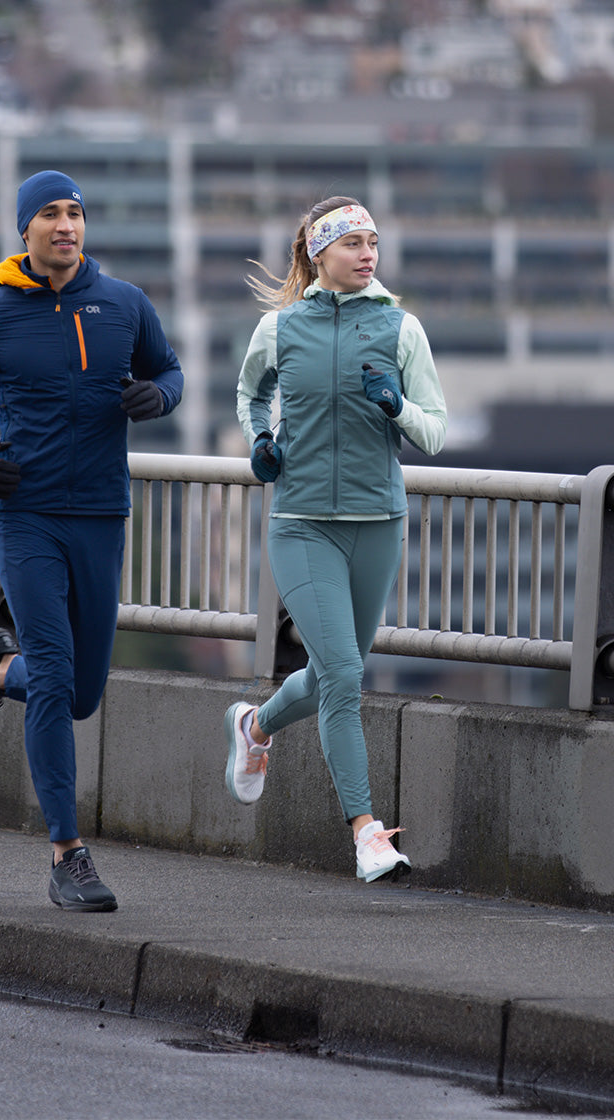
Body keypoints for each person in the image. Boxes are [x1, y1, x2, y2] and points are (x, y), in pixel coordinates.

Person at [0, 169, 183, 912]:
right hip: (26, 511)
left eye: (75, 213)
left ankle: (0, 671)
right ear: (24, 232)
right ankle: (67, 855)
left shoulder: (124, 304)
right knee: (61, 676)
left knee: (82, 693)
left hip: (102, 510)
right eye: (50, 215)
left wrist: (158, 395)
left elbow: (170, 369)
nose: (66, 225)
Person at [227, 196, 447, 883]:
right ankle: (366, 833)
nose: (367, 253)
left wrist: (397, 407)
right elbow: (250, 395)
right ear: (319, 254)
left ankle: (254, 727)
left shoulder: (402, 328)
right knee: (347, 677)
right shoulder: (281, 327)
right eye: (352, 243)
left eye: (373, 241)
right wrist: (261, 441)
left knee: (328, 674)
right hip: (301, 524)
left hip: (378, 524)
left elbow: (435, 432)